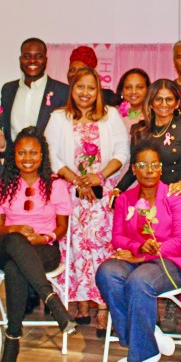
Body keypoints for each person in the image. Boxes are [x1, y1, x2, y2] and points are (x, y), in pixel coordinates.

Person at [96, 140, 181, 362]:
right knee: (107, 272)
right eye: (143, 165)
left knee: (139, 280)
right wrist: (139, 246)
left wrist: (145, 256)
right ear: (133, 169)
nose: (150, 170)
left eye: (155, 165)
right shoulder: (125, 200)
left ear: (161, 168)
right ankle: (147, 333)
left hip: (172, 263)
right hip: (137, 258)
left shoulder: (174, 196)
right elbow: (118, 238)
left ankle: (143, 352)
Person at [45, 67, 129, 336]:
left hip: (102, 196)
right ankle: (81, 304)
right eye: (80, 87)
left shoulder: (111, 116)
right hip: (70, 195)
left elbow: (122, 153)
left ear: (98, 91)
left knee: (101, 248)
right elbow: (51, 156)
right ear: (72, 89)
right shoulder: (59, 118)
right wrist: (77, 179)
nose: (85, 93)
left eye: (90, 88)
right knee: (75, 249)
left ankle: (103, 309)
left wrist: (97, 176)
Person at [0, 126, 77, 362]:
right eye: (21, 153)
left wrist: (43, 237)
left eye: (33, 153)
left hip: (44, 250)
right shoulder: (1, 186)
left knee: (16, 267)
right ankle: (52, 301)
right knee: (16, 242)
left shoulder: (56, 185)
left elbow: (62, 228)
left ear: (42, 156)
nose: (27, 158)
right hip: (7, 244)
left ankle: (12, 338)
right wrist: (15, 228)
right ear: (13, 156)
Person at [116, 79, 181, 217]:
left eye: (169, 99)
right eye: (158, 99)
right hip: (147, 201)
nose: (163, 104)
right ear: (151, 103)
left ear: (177, 103)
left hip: (176, 198)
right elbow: (133, 169)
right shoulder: (140, 130)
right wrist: (118, 189)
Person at [0, 37, 69, 154]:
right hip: (12, 163)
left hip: (47, 164)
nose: (32, 61)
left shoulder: (62, 91)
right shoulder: (8, 89)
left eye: (38, 56)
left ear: (46, 60)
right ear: (20, 59)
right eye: (27, 56)